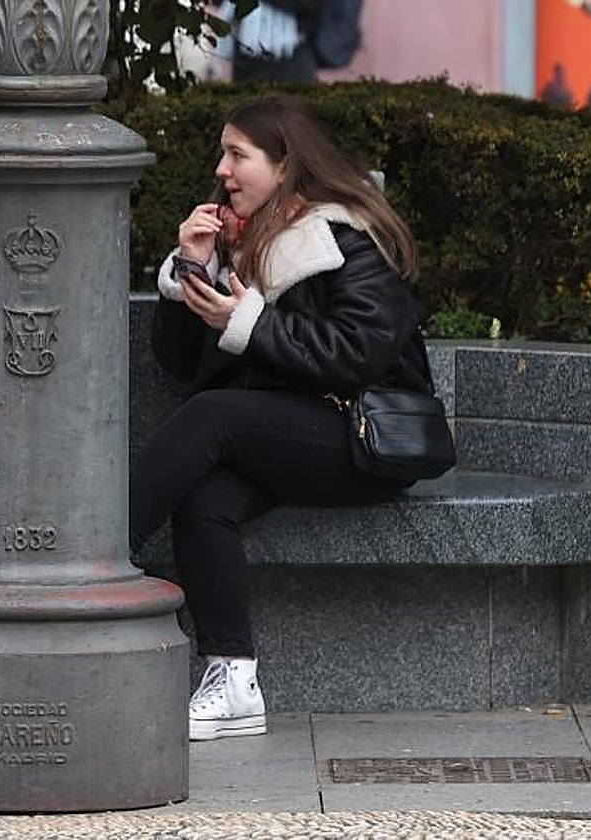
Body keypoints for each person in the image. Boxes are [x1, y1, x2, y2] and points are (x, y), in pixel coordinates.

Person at [128, 94, 430, 742]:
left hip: (364, 435)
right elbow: (178, 364)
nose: (223, 168)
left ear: (285, 161)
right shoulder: (245, 239)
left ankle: (96, 562)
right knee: (205, 498)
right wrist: (192, 271)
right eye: (223, 154)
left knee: (213, 419)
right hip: (286, 430)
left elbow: (357, 355)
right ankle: (234, 680)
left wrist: (248, 322)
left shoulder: (347, 238)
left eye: (238, 154)